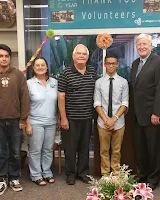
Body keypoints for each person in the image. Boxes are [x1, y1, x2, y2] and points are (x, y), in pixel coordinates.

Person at [0, 44, 30, 196]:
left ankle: (14, 177)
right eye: (0, 56)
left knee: (15, 152)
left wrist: (23, 118)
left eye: (6, 56)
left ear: (10, 58)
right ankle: (1, 179)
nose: (4, 58)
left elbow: (25, 98)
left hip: (16, 121)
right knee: (1, 152)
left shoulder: (18, 75)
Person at [130, 33, 160, 190]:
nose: (142, 47)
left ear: (151, 45)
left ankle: (153, 179)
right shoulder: (134, 64)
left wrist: (157, 113)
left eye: (145, 44)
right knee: (141, 149)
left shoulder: (159, 62)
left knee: (154, 150)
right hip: (138, 115)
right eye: (139, 44)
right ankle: (142, 175)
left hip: (153, 115)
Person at [58, 44, 96, 185]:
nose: (81, 56)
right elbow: (61, 97)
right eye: (78, 53)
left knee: (84, 147)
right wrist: (63, 118)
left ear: (87, 57)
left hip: (87, 117)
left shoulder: (92, 71)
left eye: (84, 54)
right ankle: (70, 173)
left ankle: (83, 173)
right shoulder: (66, 73)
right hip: (71, 118)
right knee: (70, 148)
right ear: (73, 56)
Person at [26, 57, 59, 186]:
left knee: (47, 149)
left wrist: (58, 119)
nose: (40, 67)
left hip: (51, 122)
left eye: (43, 65)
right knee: (35, 149)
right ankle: (36, 175)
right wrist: (27, 123)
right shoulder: (29, 83)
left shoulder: (54, 82)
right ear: (33, 68)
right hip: (35, 122)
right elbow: (25, 105)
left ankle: (47, 172)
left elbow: (58, 102)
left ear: (46, 67)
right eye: (37, 65)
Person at [94, 54, 129, 176]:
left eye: (113, 63)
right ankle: (105, 175)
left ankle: (115, 175)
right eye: (108, 63)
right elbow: (97, 103)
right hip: (102, 122)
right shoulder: (99, 82)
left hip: (119, 122)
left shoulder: (123, 82)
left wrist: (113, 119)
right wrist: (106, 120)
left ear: (117, 64)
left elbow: (125, 103)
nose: (111, 66)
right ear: (104, 65)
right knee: (103, 150)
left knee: (116, 150)